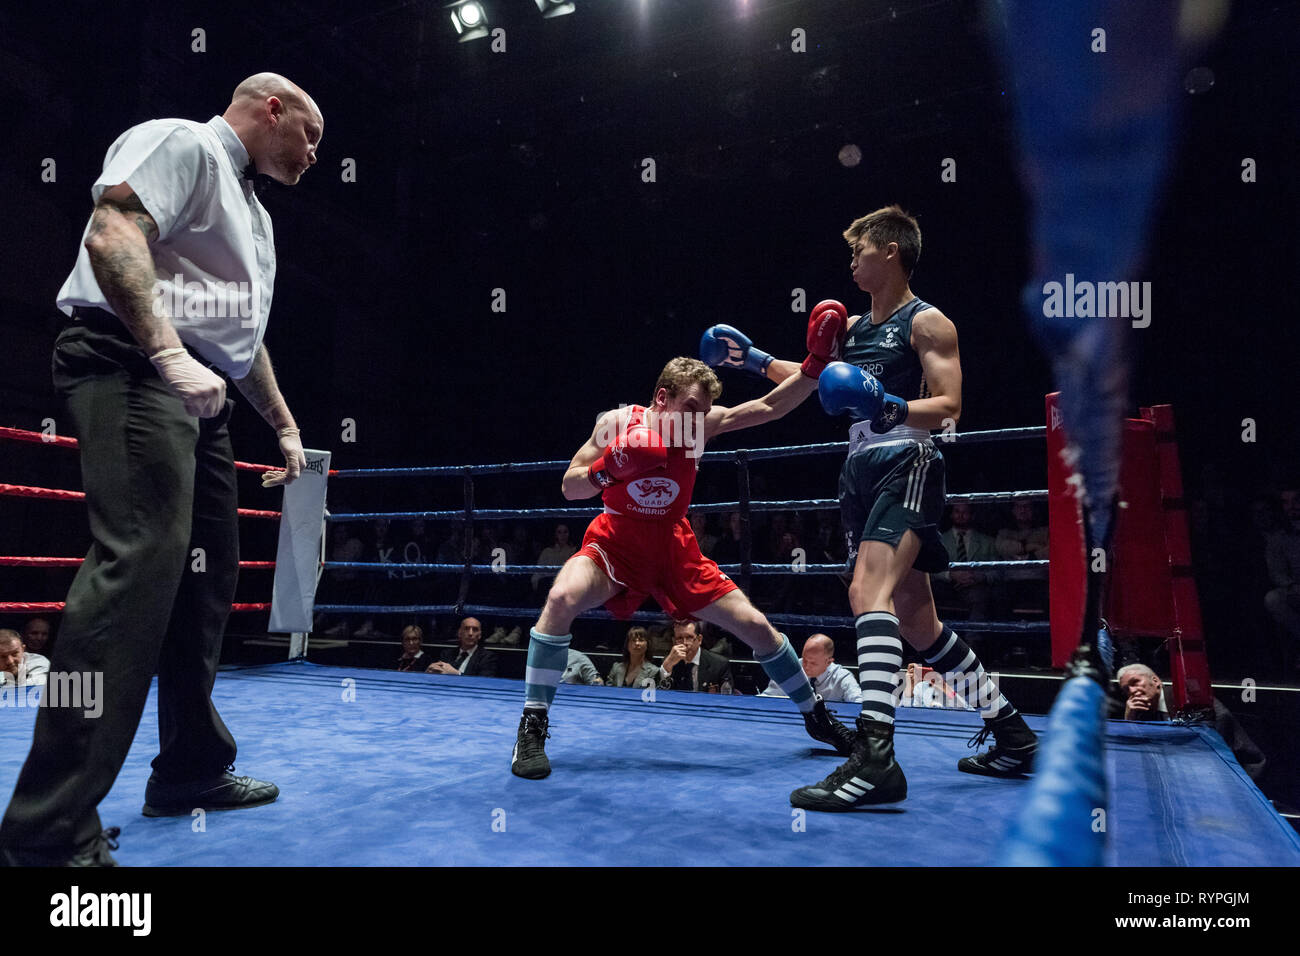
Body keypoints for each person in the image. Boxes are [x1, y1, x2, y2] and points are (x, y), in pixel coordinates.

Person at [0, 73, 321, 866]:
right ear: (270, 108)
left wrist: (281, 423)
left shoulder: (254, 215)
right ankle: (47, 827)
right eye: (311, 135)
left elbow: (239, 337)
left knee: (206, 583)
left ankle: (187, 771)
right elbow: (112, 233)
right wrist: (168, 353)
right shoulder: (184, 141)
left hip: (197, 393)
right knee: (138, 565)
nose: (316, 155)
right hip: (132, 364)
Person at [704, 206, 1038, 811]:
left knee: (867, 595)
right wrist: (749, 360)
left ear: (889, 251)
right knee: (917, 624)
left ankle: (877, 757)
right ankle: (1015, 736)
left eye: (859, 250)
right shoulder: (849, 328)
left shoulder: (927, 323)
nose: (851, 261)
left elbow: (950, 405)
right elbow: (802, 389)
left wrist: (888, 407)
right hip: (859, 471)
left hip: (907, 460)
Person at [511, 346, 857, 780]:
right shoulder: (615, 424)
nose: (698, 418)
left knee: (755, 626)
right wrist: (609, 468)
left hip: (675, 547)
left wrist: (815, 365)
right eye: (690, 407)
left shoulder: (701, 427)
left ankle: (815, 715)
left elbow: (771, 406)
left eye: (704, 410)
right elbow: (569, 487)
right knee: (561, 597)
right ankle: (533, 722)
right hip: (616, 540)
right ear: (662, 398)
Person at [1114, 664, 1266, 782]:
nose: (1132, 691)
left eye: (1135, 682)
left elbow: (1219, 730)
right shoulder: (1140, 713)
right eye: (1126, 689)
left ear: (1156, 681)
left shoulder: (1189, 697)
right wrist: (1129, 718)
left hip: (1239, 773)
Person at [933, 502, 1000, 621]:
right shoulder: (939, 541)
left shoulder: (987, 541)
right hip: (945, 586)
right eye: (957, 511)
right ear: (951, 514)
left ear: (972, 515)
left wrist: (979, 577)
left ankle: (973, 637)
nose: (961, 515)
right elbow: (930, 570)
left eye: (965, 512)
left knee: (981, 596)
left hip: (976, 587)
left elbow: (998, 571)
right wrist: (951, 575)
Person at [760, 634, 862, 703]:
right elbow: (766, 698)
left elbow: (859, 702)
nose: (806, 666)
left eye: (813, 663)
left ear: (828, 662)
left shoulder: (842, 677)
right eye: (804, 660)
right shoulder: (790, 668)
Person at [661, 620, 733, 694]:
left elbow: (726, 698)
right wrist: (666, 668)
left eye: (689, 637)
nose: (685, 643)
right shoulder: (669, 662)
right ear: (674, 641)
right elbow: (661, 694)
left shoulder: (719, 664)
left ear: (699, 639)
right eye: (679, 638)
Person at [428, 617, 499, 677]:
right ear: (459, 633)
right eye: (466, 628)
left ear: (479, 635)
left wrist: (457, 674)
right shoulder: (446, 654)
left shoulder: (488, 657)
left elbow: (484, 682)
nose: (470, 633)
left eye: (475, 630)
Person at [532, 523, 578, 594]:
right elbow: (537, 576)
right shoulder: (547, 552)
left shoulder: (574, 551)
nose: (563, 535)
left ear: (569, 533)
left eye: (565, 532)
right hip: (548, 589)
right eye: (559, 532)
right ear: (555, 534)